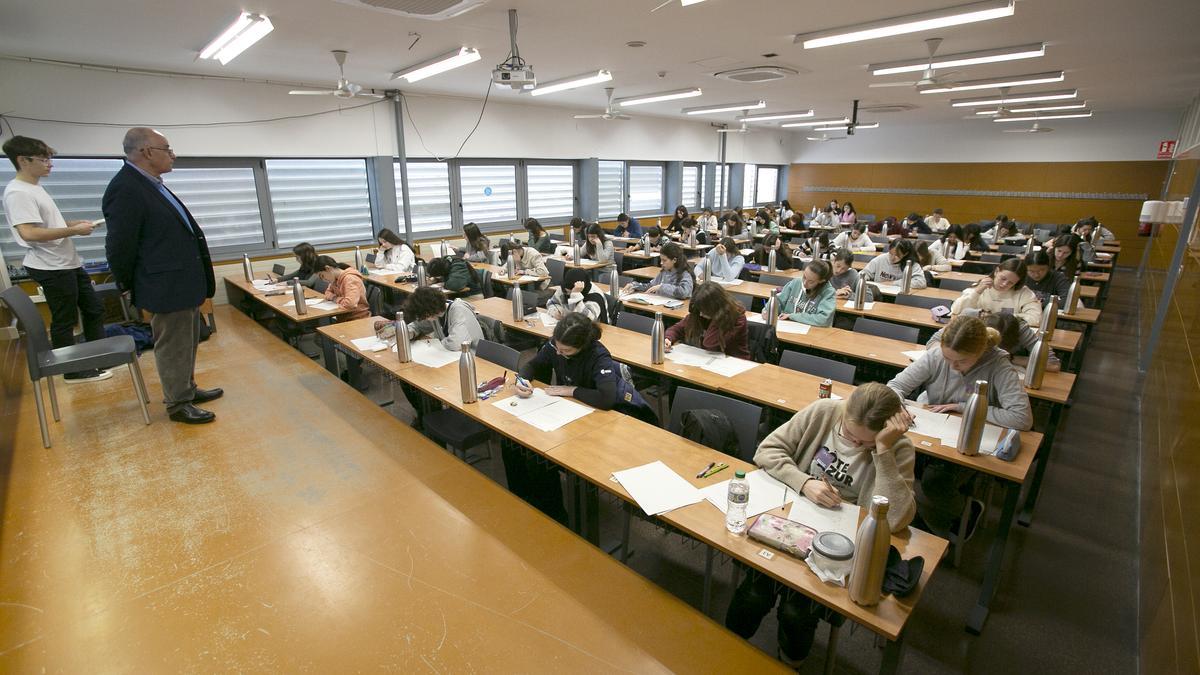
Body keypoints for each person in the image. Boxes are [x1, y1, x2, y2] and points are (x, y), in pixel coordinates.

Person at [725, 383, 916, 666]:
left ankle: (791, 661)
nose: (853, 444)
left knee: (796, 612)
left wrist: (883, 451)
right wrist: (805, 482)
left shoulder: (898, 447)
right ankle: (725, 649)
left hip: (840, 547)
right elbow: (767, 451)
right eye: (848, 435)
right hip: (792, 524)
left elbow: (898, 518)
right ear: (843, 414)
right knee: (753, 594)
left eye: (865, 443)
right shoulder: (824, 412)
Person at [103, 128, 219, 424]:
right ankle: (178, 404)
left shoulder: (152, 185)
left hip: (180, 282)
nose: (173, 155)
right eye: (167, 149)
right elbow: (120, 246)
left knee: (187, 341)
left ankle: (187, 389)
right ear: (146, 152)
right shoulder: (126, 188)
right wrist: (130, 285)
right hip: (164, 284)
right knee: (172, 345)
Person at [888, 315, 1032, 538]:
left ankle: (963, 511)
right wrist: (899, 406)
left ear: (981, 351)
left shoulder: (999, 366)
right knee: (886, 455)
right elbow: (896, 386)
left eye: (961, 361)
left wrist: (964, 407)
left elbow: (1021, 418)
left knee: (936, 481)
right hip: (931, 429)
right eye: (948, 358)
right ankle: (909, 517)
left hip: (969, 439)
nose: (953, 366)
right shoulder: (937, 355)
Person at [510, 313, 657, 522]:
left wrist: (571, 390)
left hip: (600, 419)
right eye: (557, 348)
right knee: (530, 445)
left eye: (566, 351)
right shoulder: (556, 345)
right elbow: (533, 364)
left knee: (548, 456)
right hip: (571, 414)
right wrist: (522, 379)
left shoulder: (598, 355)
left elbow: (606, 399)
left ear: (582, 346)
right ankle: (538, 509)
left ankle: (566, 520)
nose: (558, 354)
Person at [3, 136, 109, 383]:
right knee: (65, 320)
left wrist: (75, 224)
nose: (50, 164)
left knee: (94, 309)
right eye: (43, 159)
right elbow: (28, 232)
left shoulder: (34, 187)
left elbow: (47, 225)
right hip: (51, 267)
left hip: (67, 262)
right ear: (22, 160)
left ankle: (99, 359)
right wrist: (73, 231)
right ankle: (73, 370)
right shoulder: (18, 193)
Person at [926, 312, 1061, 373]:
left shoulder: (1022, 329)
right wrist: (953, 355)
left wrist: (1012, 358)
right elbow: (933, 343)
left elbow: (1053, 364)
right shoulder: (971, 323)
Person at [664, 282, 749, 358]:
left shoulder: (737, 318)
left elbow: (710, 343)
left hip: (734, 363)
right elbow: (677, 329)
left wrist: (717, 318)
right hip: (706, 359)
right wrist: (668, 339)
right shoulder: (701, 314)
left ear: (715, 306)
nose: (701, 314)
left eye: (704, 310)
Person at [950, 258, 1042, 327]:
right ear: (996, 271)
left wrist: (998, 318)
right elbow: (956, 311)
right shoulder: (980, 287)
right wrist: (976, 292)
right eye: (1003, 278)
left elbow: (1036, 319)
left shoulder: (1024, 292)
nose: (1004, 284)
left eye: (1011, 283)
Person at [403, 285, 484, 351]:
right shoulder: (436, 313)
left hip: (473, 356)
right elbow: (417, 326)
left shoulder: (459, 310)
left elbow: (456, 344)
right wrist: (411, 333)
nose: (425, 319)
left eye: (425, 316)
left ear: (430, 311)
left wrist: (434, 345)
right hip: (451, 356)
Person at [772, 260, 835, 327]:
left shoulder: (828, 292)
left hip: (813, 332)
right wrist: (768, 310)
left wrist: (792, 316)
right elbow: (779, 301)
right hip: (787, 327)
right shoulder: (796, 282)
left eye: (811, 282)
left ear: (821, 281)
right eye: (804, 277)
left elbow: (823, 319)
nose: (804, 283)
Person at [623, 242, 694, 299]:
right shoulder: (664, 272)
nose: (661, 263)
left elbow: (683, 292)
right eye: (661, 260)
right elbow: (651, 286)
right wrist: (634, 285)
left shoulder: (685, 274)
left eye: (664, 260)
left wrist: (661, 287)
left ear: (674, 260)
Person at [315, 255, 370, 320]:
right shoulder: (334, 280)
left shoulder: (350, 279)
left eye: (322, 276)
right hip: (343, 317)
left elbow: (350, 304)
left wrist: (335, 299)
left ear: (328, 268)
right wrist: (337, 298)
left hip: (357, 318)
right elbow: (327, 292)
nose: (323, 280)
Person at [861, 239, 926, 289]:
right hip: (880, 294)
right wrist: (863, 278)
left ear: (905, 254)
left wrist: (893, 283)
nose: (892, 258)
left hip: (901, 297)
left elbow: (921, 282)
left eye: (897, 256)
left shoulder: (911, 264)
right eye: (891, 253)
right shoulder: (881, 259)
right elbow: (865, 272)